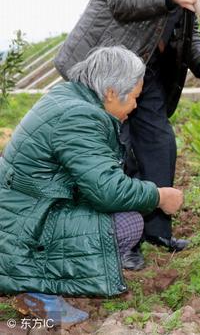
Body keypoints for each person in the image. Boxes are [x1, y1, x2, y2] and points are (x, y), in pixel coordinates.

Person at [53, 0, 200, 258]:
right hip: (105, 70)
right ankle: (118, 238)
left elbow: (187, 33)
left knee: (159, 145)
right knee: (116, 152)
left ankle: (156, 230)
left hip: (144, 74)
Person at [0, 47, 184, 325]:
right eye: (134, 97)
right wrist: (158, 196)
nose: (135, 106)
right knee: (128, 223)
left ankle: (37, 280)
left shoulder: (67, 97)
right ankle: (36, 287)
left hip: (24, 211)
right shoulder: (80, 117)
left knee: (118, 217)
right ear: (111, 92)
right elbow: (107, 190)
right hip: (26, 226)